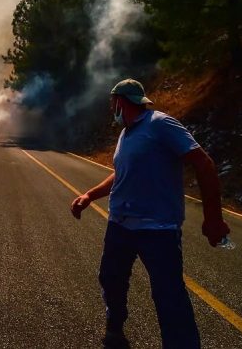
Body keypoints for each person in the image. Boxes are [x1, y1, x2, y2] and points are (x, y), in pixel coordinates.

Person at [70, 79, 230, 349]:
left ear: (120, 102)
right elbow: (121, 174)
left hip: (157, 230)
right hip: (120, 226)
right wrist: (89, 196)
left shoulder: (160, 124)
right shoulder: (126, 134)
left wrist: (213, 217)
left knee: (169, 296)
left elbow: (203, 162)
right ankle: (115, 328)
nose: (112, 109)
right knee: (111, 278)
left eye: (112, 103)